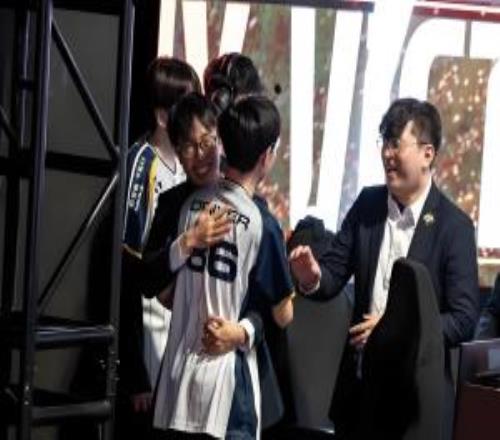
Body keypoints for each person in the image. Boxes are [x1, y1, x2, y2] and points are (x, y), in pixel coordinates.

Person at [289, 98, 480, 440]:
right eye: (385, 143)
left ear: (427, 154)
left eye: (397, 144)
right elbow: (332, 275)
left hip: (416, 405)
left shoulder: (455, 227)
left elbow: (464, 319)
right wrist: (312, 278)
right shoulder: (368, 204)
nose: (387, 154)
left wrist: (396, 328)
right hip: (359, 395)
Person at [153, 95, 294, 440]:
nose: (199, 153)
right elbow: (282, 314)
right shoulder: (261, 222)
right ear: (266, 157)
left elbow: (167, 296)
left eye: (206, 142)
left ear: (222, 143)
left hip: (178, 380)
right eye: (189, 145)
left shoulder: (189, 206)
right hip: (228, 391)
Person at [119, 56, 201, 438]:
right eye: (188, 106)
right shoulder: (142, 165)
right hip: (149, 338)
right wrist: (136, 372)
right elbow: (126, 270)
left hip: (180, 336)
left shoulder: (188, 165)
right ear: (163, 116)